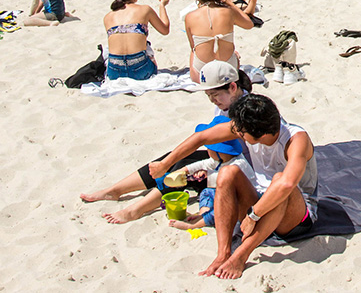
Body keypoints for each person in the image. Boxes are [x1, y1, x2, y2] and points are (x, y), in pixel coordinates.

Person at [147, 93, 317, 279]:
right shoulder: (253, 126)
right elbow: (201, 138)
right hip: (260, 201)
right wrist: (165, 164)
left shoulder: (296, 140)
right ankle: (223, 254)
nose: (236, 132)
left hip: (296, 215)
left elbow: (287, 184)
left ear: (258, 132)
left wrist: (253, 215)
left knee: (279, 180)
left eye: (240, 132)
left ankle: (240, 256)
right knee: (228, 172)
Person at [80, 61, 254, 220]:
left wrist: (167, 165)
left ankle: (136, 209)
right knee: (173, 157)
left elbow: (203, 138)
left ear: (232, 87)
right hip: (227, 158)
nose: (212, 100)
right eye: (209, 95)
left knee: (179, 164)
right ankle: (115, 191)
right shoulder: (228, 102)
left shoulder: (246, 111)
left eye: (215, 95)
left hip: (243, 168)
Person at [185, 0, 255, 80]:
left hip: (201, 73)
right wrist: (230, 4)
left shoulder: (189, 17)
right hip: (227, 68)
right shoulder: (228, 11)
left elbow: (193, 46)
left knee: (194, 50)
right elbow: (249, 24)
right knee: (233, 53)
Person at [103, 0, 170, 80]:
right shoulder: (144, 9)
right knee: (146, 46)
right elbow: (165, 30)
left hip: (114, 71)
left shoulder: (108, 17)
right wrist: (162, 6)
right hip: (139, 69)